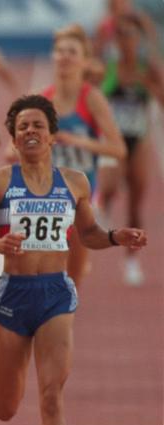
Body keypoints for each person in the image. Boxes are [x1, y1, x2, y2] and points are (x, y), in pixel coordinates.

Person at [0, 94, 146, 425]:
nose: (31, 131)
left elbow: (88, 234)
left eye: (38, 126)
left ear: (52, 136)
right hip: (13, 293)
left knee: (51, 397)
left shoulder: (75, 183)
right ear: (14, 140)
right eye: (23, 127)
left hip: (56, 295)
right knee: (5, 408)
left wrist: (115, 236)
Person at [41, 24, 126, 287]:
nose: (64, 56)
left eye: (72, 51)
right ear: (53, 56)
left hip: (81, 197)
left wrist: (77, 140)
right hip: (47, 195)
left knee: (72, 280)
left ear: (84, 60)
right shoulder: (42, 100)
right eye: (60, 51)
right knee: (43, 272)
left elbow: (118, 149)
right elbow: (16, 147)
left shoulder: (91, 98)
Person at [97, 13, 164, 286]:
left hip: (139, 140)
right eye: (122, 35)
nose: (127, 41)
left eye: (131, 36)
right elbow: (94, 92)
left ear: (138, 40)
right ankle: (105, 203)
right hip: (115, 141)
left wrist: (147, 83)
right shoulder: (109, 68)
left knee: (135, 208)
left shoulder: (147, 67)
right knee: (111, 184)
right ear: (116, 40)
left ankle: (131, 261)